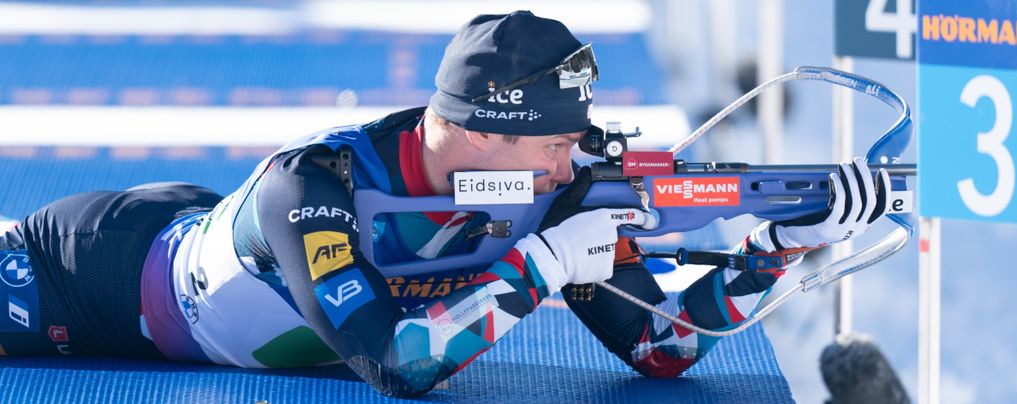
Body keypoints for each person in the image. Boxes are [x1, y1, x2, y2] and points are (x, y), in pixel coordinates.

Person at [0, 11, 892, 397]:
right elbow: (400, 365)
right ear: (477, 133)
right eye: (553, 143)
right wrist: (542, 265)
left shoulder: (553, 185)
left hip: (187, 241)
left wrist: (773, 246)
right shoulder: (312, 190)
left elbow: (665, 351)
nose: (572, 161)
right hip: (91, 274)